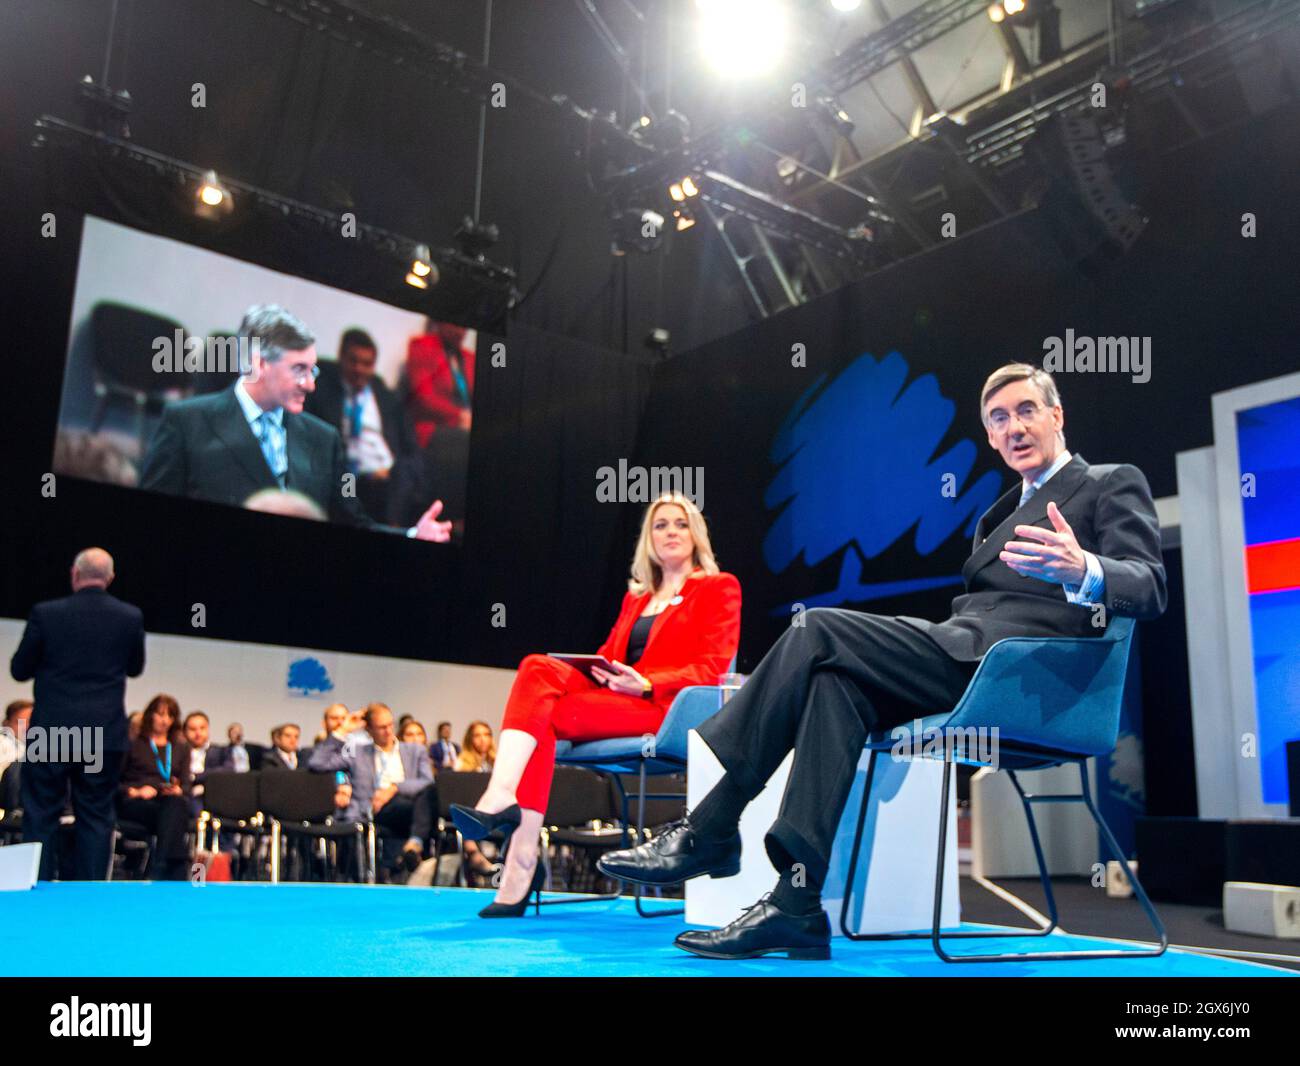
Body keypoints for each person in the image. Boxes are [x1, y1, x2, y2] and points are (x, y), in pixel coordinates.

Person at [599, 363, 1168, 961]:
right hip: (964, 654)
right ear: (991, 436)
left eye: (1027, 410)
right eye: (998, 419)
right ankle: (795, 903)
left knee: (816, 628)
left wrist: (1085, 571)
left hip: (1019, 676)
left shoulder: (1108, 482)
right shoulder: (997, 514)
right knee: (835, 686)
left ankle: (710, 827)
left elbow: (1150, 586)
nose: (1015, 427)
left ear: (1057, 415)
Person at [451, 493, 742, 917]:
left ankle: (520, 855)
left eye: (680, 523)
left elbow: (712, 668)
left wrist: (645, 683)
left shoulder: (718, 587)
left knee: (545, 717)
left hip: (664, 708)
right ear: (649, 539)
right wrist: (602, 670)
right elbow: (609, 654)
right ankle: (504, 806)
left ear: (695, 534)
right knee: (536, 667)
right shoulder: (636, 599)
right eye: (660, 525)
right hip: (618, 697)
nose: (670, 532)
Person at [139, 305, 452, 541]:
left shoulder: (324, 439)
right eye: (299, 370)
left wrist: (412, 535)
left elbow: (355, 524)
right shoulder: (185, 422)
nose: (311, 384)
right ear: (260, 364)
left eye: (312, 370)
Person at [11, 548, 145, 880]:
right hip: (101, 735)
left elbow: (19, 669)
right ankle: (90, 895)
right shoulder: (130, 617)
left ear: (74, 573)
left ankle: (36, 887)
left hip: (52, 732)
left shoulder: (46, 613)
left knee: (41, 813)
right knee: (96, 816)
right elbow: (135, 667)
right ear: (110, 578)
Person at [305, 328, 419, 525]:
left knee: (406, 479)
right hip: (351, 475)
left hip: (390, 475)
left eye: (366, 364)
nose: (359, 369)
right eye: (353, 361)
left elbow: (409, 444)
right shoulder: (322, 390)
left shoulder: (384, 396)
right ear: (341, 358)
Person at [309, 703, 437, 874]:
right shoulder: (357, 752)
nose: (388, 731)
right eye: (382, 727)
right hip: (375, 809)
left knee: (428, 795)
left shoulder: (414, 750)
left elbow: (427, 782)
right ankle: (413, 847)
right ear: (368, 730)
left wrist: (394, 787)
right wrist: (343, 730)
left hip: (409, 804)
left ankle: (411, 847)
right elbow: (317, 763)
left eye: (391, 725)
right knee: (423, 808)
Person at [119, 694, 194, 880]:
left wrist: (179, 790)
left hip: (167, 801)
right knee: (174, 812)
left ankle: (161, 864)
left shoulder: (180, 748)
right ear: (150, 715)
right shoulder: (134, 744)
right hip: (136, 801)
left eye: (170, 716)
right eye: (160, 715)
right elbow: (114, 782)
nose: (165, 720)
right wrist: (135, 791)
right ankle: (175, 868)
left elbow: (186, 785)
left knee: (175, 804)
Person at [405, 319, 475, 446]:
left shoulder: (470, 358)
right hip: (435, 427)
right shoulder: (422, 346)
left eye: (465, 326)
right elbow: (423, 398)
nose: (460, 331)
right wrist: (460, 416)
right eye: (455, 324)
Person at [183, 711, 231, 817]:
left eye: (202, 728)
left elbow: (227, 770)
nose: (198, 733)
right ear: (185, 732)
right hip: (187, 795)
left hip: (214, 793)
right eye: (193, 729)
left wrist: (195, 777)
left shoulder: (221, 751)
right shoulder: (179, 752)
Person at [1, 699, 34, 812]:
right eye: (20, 722)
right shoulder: (3, 743)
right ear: (6, 723)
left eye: (30, 721)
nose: (26, 727)